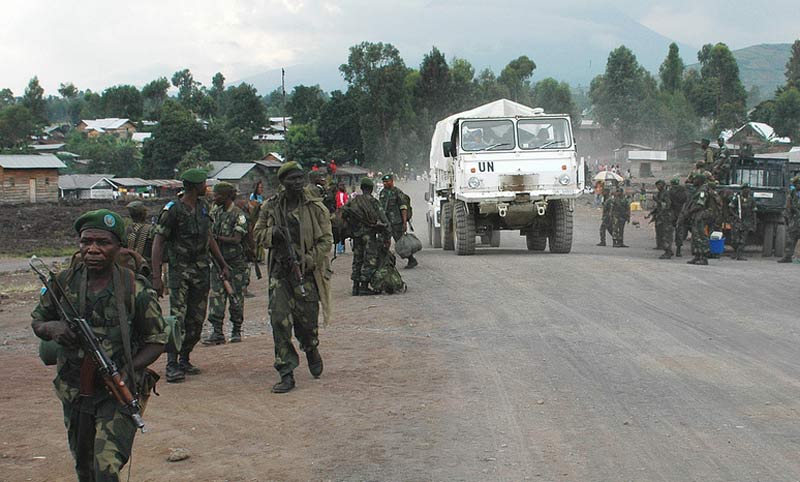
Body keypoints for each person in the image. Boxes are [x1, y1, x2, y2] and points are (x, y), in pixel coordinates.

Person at [31, 209, 166, 482]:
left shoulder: (134, 288)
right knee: (84, 466)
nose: (92, 249)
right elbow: (38, 320)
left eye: (102, 243)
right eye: (86, 242)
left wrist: (128, 367)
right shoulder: (64, 282)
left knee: (106, 467)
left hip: (117, 390)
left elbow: (157, 340)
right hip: (75, 390)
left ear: (118, 247)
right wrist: (53, 328)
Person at [254, 162, 332, 393]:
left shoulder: (315, 207)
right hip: (280, 273)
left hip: (306, 274)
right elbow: (257, 234)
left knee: (307, 323)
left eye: (301, 178)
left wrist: (308, 260)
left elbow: (326, 239)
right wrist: (273, 234)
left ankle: (311, 348)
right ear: (282, 182)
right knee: (279, 321)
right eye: (292, 179)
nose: (298, 182)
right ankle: (286, 372)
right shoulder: (271, 207)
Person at [151, 168, 231, 383]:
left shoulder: (204, 208)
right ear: (195, 186)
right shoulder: (172, 210)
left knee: (196, 319)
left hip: (201, 271)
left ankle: (185, 358)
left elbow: (209, 238)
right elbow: (158, 242)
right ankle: (172, 363)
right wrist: (156, 276)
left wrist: (222, 263)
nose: (207, 187)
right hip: (180, 272)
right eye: (204, 183)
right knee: (177, 318)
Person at [203, 182, 249, 345]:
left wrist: (217, 239)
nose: (214, 198)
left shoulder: (238, 215)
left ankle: (236, 330)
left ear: (228, 196)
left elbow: (237, 239)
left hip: (235, 263)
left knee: (235, 297)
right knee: (216, 297)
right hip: (217, 262)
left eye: (218, 195)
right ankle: (217, 332)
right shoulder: (215, 212)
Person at [341, 177, 391, 296]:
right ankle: (364, 286)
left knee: (357, 259)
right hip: (369, 235)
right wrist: (387, 236)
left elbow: (344, 212)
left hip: (356, 236)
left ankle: (355, 287)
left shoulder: (354, 201)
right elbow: (384, 219)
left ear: (362, 188)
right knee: (369, 259)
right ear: (371, 188)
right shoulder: (373, 202)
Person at [379, 173, 417, 268]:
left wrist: (404, 222)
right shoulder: (382, 193)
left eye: (387, 181)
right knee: (383, 242)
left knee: (400, 244)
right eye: (384, 182)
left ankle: (411, 259)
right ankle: (385, 262)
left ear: (392, 181)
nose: (385, 183)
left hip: (396, 223)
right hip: (385, 223)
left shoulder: (397, 192)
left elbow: (403, 208)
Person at [686, 174, 711, 265]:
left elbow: (700, 204)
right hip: (696, 215)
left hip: (700, 215)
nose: (694, 181)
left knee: (701, 235)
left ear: (700, 180)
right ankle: (697, 255)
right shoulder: (698, 189)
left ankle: (703, 257)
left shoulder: (703, 191)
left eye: (695, 179)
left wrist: (689, 211)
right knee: (695, 236)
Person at [728, 184, 757, 260]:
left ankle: (739, 254)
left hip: (746, 221)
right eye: (745, 189)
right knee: (734, 239)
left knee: (743, 239)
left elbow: (754, 212)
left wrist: (754, 223)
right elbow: (730, 208)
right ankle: (735, 252)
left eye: (748, 189)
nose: (747, 191)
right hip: (737, 221)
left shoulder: (752, 200)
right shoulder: (737, 198)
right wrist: (735, 216)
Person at [649, 180, 674, 259]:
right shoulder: (660, 193)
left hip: (666, 217)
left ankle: (668, 252)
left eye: (659, 185)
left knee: (666, 235)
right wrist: (652, 213)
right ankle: (664, 248)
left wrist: (657, 201)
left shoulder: (666, 193)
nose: (658, 187)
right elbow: (658, 207)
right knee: (660, 232)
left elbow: (667, 205)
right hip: (661, 216)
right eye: (657, 185)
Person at [778, 175, 800, 263]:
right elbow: (788, 206)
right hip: (794, 220)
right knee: (791, 239)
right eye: (797, 184)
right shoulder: (792, 193)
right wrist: (787, 217)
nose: (799, 185)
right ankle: (787, 256)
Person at [669, 177, 688, 257]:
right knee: (679, 232)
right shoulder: (684, 191)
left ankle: (669, 250)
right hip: (681, 213)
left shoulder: (670, 191)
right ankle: (678, 251)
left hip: (672, 213)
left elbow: (668, 203)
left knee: (669, 233)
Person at [334, 181, 350, 254]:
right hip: (341, 211)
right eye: (341, 185)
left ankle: (341, 246)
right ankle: (340, 247)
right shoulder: (340, 194)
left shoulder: (345, 194)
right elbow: (342, 203)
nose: (343, 187)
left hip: (343, 210)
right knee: (340, 229)